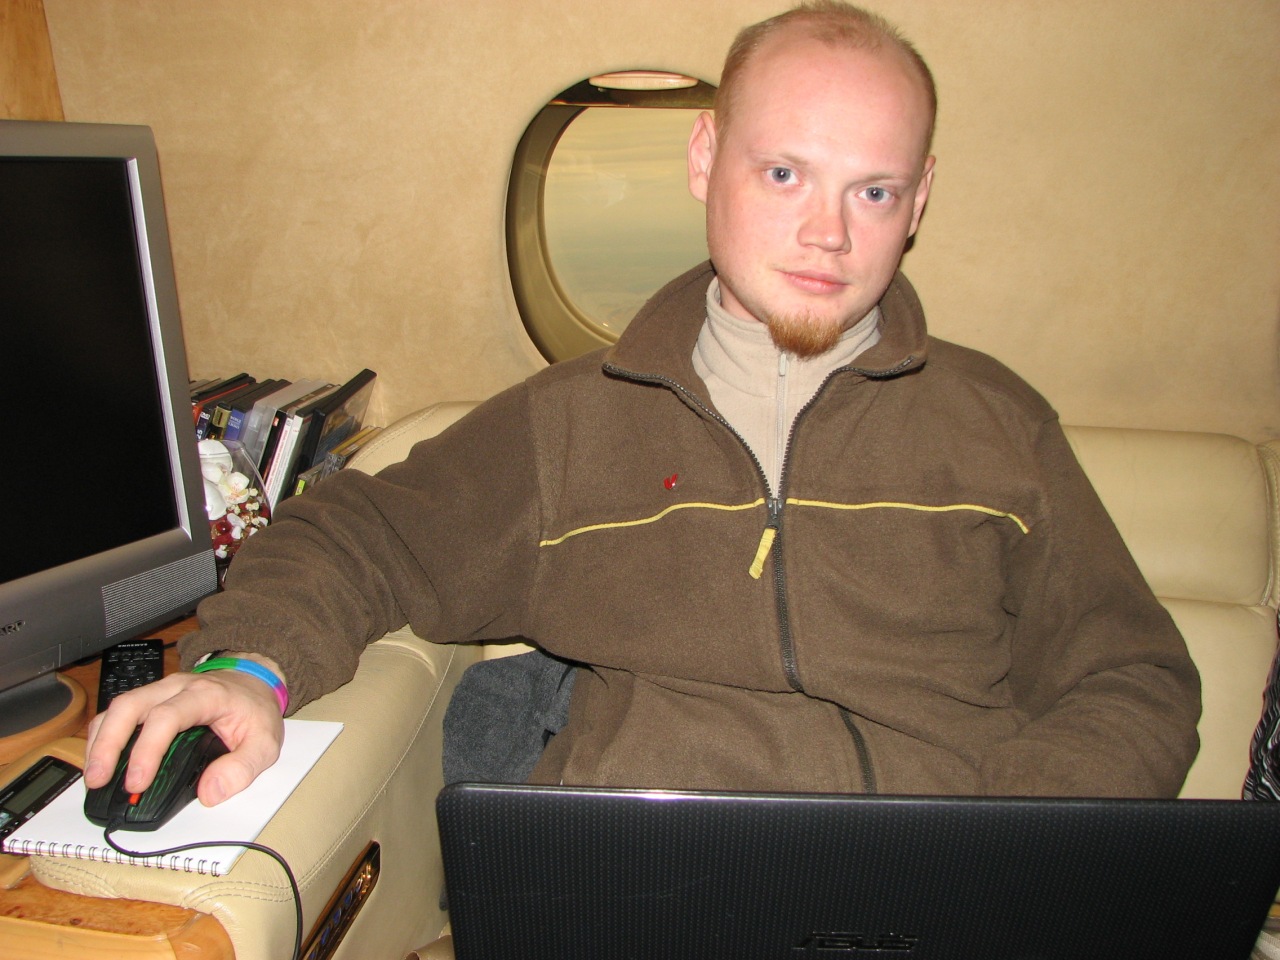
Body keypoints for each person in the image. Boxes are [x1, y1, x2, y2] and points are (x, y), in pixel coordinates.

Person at [86, 0, 1200, 806]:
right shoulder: (571, 423)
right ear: (705, 158)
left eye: (872, 189)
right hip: (647, 889)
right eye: (783, 174)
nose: (827, 233)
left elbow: (1128, 677)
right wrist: (247, 669)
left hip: (929, 899)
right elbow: (358, 534)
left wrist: (1013, 845)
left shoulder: (996, 425)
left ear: (918, 202)